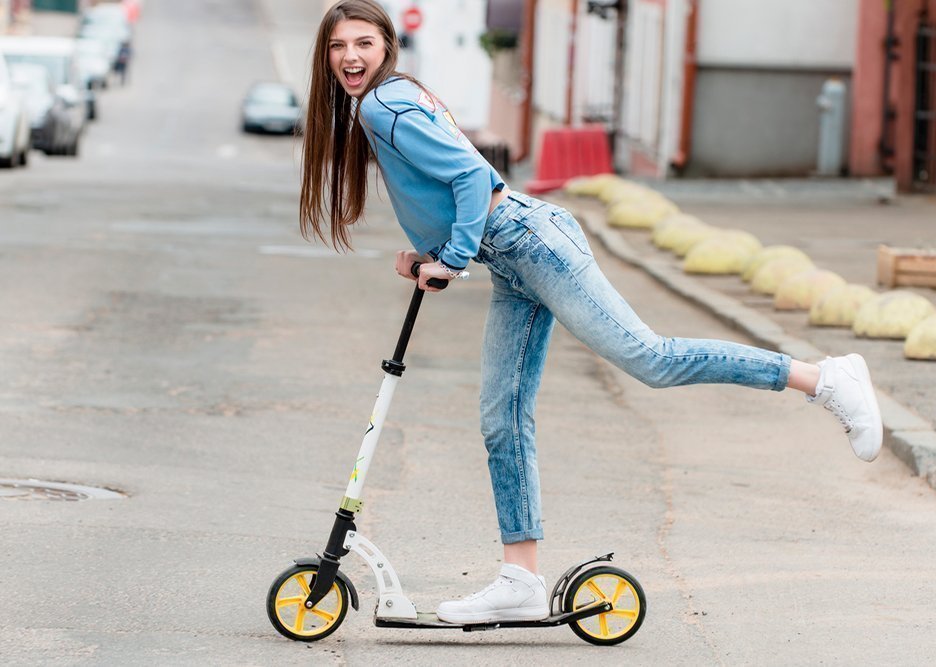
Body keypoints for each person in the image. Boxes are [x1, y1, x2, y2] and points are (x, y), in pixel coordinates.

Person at [300, 0, 883, 625]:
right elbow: (446, 187)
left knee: (651, 359)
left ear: (387, 46)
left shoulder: (385, 104)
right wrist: (432, 253)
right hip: (514, 255)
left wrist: (456, 254)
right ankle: (520, 579)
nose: (351, 57)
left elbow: (473, 177)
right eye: (338, 47)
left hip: (529, 241)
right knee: (502, 417)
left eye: (363, 42)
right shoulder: (388, 102)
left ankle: (825, 380)